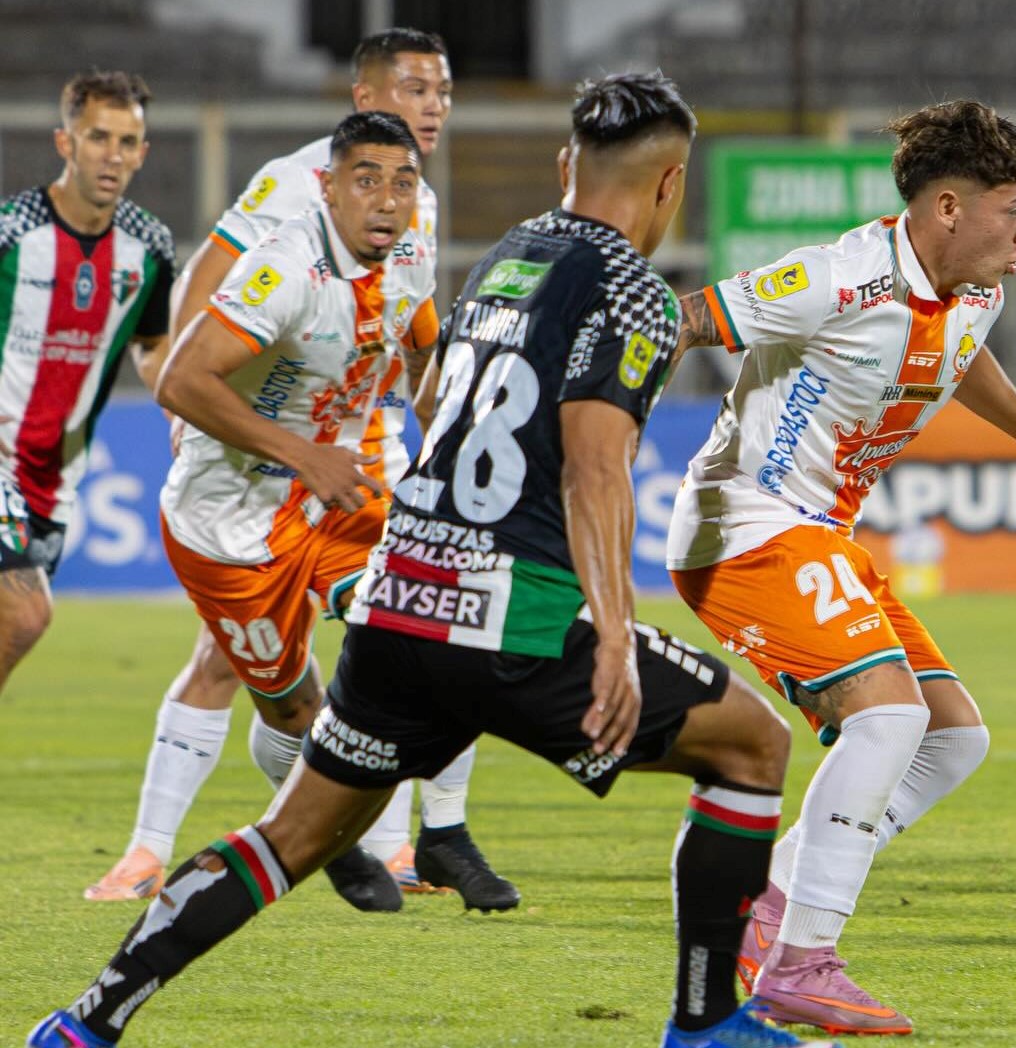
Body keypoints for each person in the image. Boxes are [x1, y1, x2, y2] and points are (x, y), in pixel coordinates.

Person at [28, 72, 838, 1048]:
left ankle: (87, 1018)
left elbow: (440, 407)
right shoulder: (633, 288)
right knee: (753, 743)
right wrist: (615, 637)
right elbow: (594, 471)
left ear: (563, 167)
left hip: (395, 599)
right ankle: (706, 1027)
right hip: (510, 619)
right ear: (669, 186)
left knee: (285, 838)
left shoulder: (508, 253)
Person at [666, 100, 1016, 1036]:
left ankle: (768, 904)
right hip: (744, 521)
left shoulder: (975, 289)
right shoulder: (835, 280)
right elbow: (683, 322)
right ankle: (801, 960)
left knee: (952, 738)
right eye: (1015, 209)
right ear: (949, 207)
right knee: (888, 717)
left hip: (818, 535)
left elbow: (962, 359)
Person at [84, 27, 519, 915]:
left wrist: (449, 410)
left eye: (444, 91)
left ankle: (437, 832)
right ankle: (320, 832)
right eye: (414, 88)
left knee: (435, 620)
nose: (434, 105)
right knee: (287, 702)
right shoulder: (288, 221)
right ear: (359, 110)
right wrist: (237, 425)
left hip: (353, 469)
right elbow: (186, 350)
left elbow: (420, 324)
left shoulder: (409, 219)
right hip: (237, 503)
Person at [0, 71, 174, 695]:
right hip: (1, 462)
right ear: (65, 143)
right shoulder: (11, 233)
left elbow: (152, 347)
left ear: (143, 153)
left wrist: (178, 408)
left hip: (54, 478)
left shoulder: (150, 249)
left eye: (128, 142)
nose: (114, 155)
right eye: (98, 137)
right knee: (25, 612)